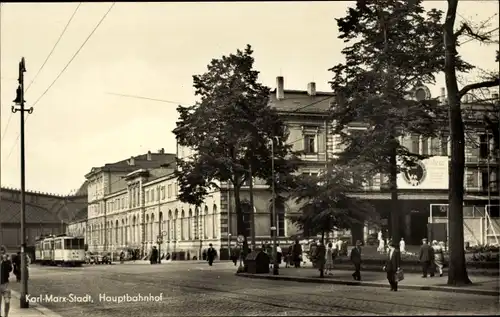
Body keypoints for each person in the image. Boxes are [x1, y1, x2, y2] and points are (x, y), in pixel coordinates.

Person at [1, 246, 12, 317]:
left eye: (3, 251)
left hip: (6, 284)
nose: (1, 252)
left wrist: (5, 261)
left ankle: (6, 315)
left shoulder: (7, 261)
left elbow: (10, 269)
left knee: (7, 302)